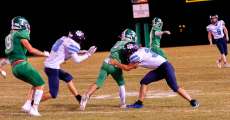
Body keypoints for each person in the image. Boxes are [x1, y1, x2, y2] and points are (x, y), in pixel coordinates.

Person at [109, 42, 199, 109]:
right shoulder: (141, 49)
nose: (127, 54)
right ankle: (139, 103)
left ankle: (192, 101)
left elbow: (129, 68)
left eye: (127, 52)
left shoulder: (136, 55)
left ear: (132, 51)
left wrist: (116, 63)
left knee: (175, 87)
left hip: (165, 67)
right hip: (160, 67)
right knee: (144, 81)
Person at [80, 29, 137, 110]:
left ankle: (86, 95)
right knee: (121, 83)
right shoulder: (129, 44)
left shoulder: (118, 42)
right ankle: (123, 103)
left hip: (106, 62)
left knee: (98, 82)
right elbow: (126, 56)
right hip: (115, 65)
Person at [5, 16, 49, 116]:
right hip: (22, 65)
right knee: (40, 84)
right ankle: (34, 108)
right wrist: (45, 54)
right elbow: (31, 50)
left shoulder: (8, 37)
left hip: (14, 68)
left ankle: (27, 104)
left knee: (35, 82)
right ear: (21, 25)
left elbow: (9, 54)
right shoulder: (18, 34)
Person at [42, 30, 97, 105]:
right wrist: (88, 54)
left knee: (68, 77)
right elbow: (77, 60)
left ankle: (79, 98)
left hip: (50, 65)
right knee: (53, 93)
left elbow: (65, 49)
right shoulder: (73, 44)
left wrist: (80, 51)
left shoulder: (64, 38)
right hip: (52, 68)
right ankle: (32, 103)